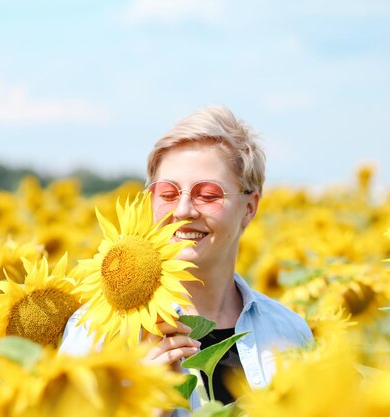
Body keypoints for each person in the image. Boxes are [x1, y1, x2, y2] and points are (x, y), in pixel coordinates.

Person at [61, 105, 313, 414]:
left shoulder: (288, 332)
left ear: (249, 207)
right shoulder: (96, 332)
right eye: (167, 194)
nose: (183, 211)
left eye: (207, 195)